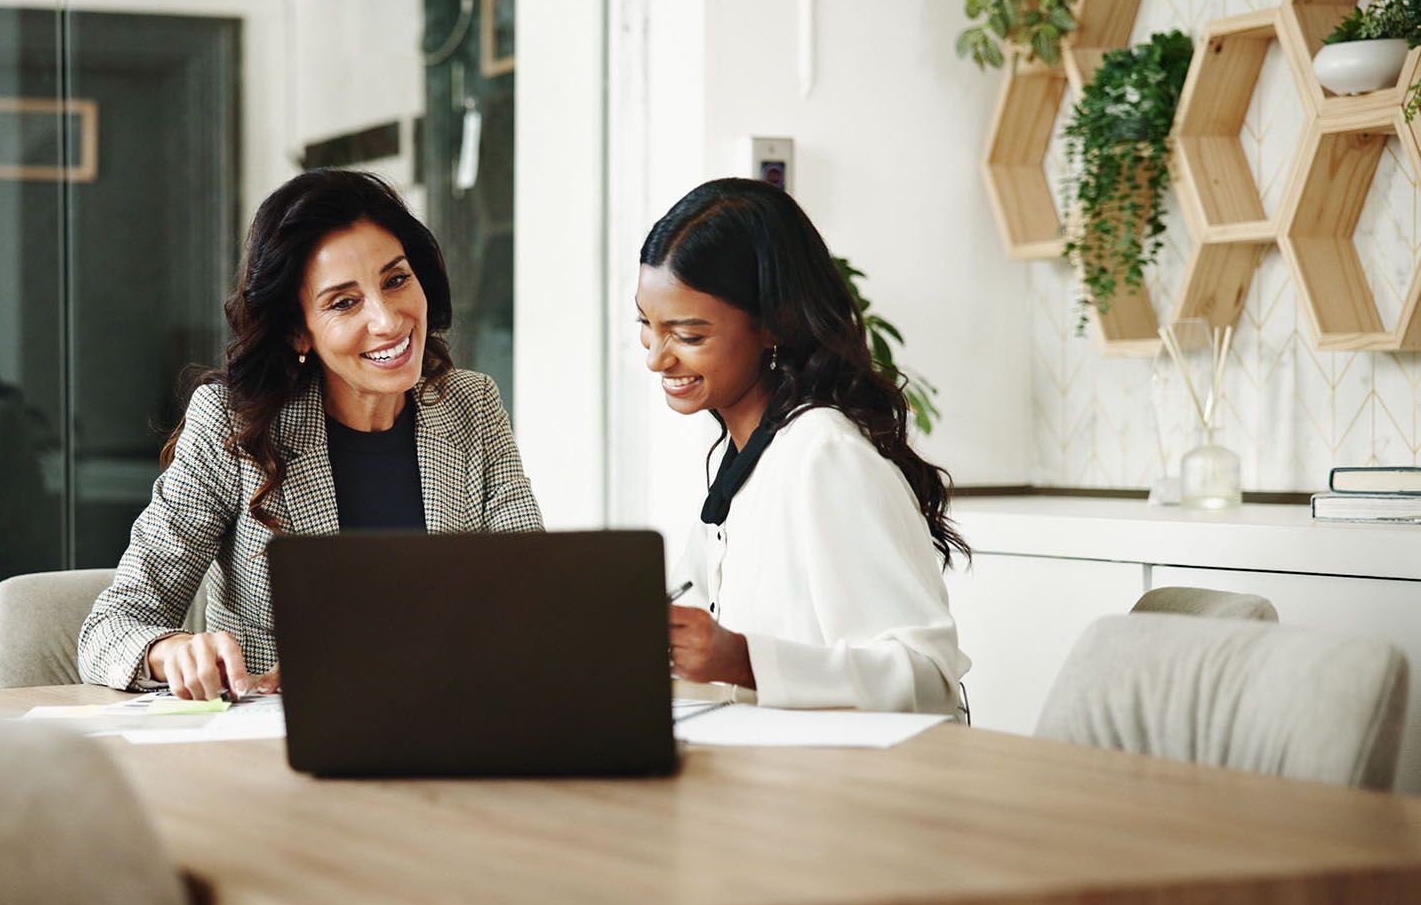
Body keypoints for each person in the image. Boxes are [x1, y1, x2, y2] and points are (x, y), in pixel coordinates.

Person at [78, 169, 543, 698]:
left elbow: (528, 601)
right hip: (282, 753)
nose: (389, 321)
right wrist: (173, 651)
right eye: (344, 302)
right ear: (299, 330)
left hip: (447, 730)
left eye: (395, 281)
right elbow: (110, 628)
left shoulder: (470, 405)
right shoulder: (232, 425)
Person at [637, 178, 969, 716]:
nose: (656, 358)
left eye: (689, 336)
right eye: (646, 326)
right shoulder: (739, 460)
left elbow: (927, 679)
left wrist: (742, 659)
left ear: (774, 324)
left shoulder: (825, 455)